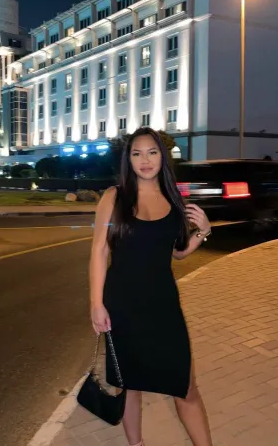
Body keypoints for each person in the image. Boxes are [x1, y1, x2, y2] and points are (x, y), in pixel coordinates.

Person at [89, 127, 213, 446]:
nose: (145, 160)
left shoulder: (173, 200)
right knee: (130, 385)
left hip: (163, 306)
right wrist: (96, 303)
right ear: (128, 160)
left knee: (185, 386)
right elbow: (100, 251)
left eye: (152, 152)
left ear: (162, 157)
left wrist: (203, 232)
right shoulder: (114, 198)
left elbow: (176, 252)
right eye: (136, 153)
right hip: (123, 306)